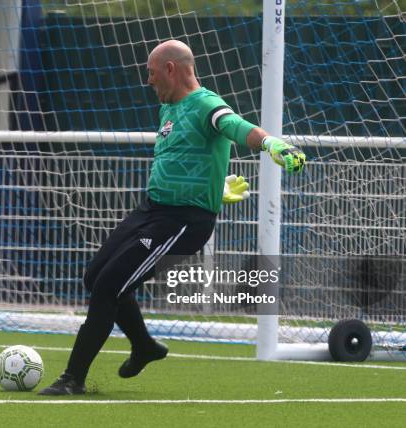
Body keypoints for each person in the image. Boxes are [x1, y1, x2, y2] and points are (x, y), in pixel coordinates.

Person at [38, 40, 305, 395]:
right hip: (152, 209)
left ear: (170, 69)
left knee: (109, 287)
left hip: (183, 221)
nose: (147, 81)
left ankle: (73, 379)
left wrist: (272, 143)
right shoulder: (168, 107)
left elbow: (235, 126)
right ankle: (145, 346)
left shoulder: (206, 103)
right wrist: (213, 184)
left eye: (150, 72)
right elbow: (186, 155)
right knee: (94, 277)